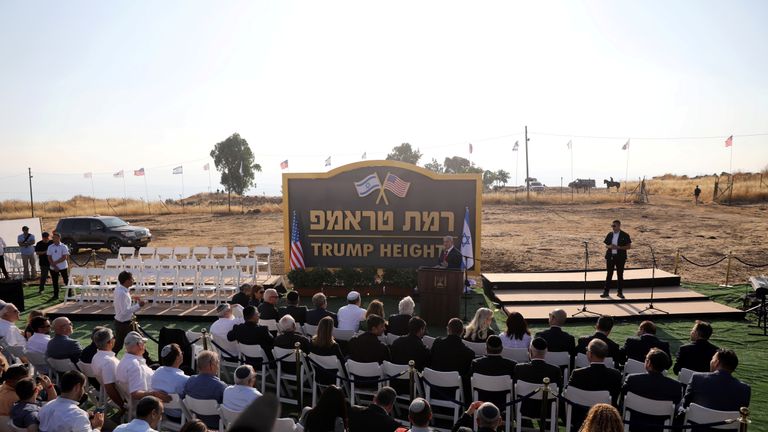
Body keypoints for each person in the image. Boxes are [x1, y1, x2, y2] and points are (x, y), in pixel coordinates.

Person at [567, 339, 622, 430]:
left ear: (590, 354)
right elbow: (615, 396)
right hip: (606, 419)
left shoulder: (577, 374)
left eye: (587, 350)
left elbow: (568, 393)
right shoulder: (615, 375)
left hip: (580, 418)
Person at [622, 348, 681, 432]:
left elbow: (623, 398)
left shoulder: (632, 379)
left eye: (646, 359)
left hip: (633, 424)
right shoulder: (675, 386)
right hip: (659, 426)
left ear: (648, 363)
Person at [683, 349, 751, 411]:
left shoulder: (697, 378)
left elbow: (685, 405)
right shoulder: (745, 389)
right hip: (726, 424)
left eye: (712, 359)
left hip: (697, 423)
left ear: (716, 362)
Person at [38, 371, 104, 432]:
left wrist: (85, 415)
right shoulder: (78, 415)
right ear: (77, 387)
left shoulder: (46, 406)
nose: (84, 391)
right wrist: (97, 427)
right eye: (83, 387)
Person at [514, 338, 562, 421]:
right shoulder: (555, 370)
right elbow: (559, 392)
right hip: (547, 410)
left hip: (525, 409)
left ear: (530, 351)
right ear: (546, 351)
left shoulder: (519, 368)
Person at [116, 331, 170, 404]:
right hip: (150, 402)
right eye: (144, 343)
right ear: (140, 345)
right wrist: (154, 394)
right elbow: (135, 394)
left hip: (136, 397)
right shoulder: (135, 366)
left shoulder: (124, 360)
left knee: (157, 366)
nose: (145, 345)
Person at [183, 351, 227, 430]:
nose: (218, 366)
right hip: (216, 425)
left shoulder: (190, 381)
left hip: (197, 423)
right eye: (217, 362)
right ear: (211, 365)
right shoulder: (220, 386)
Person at [470, 335, 516, 411]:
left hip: (481, 401)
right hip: (502, 402)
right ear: (501, 348)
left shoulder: (476, 363)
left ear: (486, 348)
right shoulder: (511, 365)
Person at [150, 344, 189, 421]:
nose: (182, 354)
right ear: (178, 358)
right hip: (180, 416)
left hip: (163, 412)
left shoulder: (157, 371)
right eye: (181, 353)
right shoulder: (184, 379)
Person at [91, 327, 126, 412]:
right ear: (109, 342)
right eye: (113, 337)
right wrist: (122, 406)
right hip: (126, 396)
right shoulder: (108, 362)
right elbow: (110, 388)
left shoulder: (96, 357)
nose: (115, 339)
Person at [113, 271, 146, 355]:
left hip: (123, 322)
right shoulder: (122, 293)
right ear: (127, 281)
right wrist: (139, 305)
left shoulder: (120, 290)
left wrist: (131, 298)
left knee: (139, 338)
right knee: (119, 345)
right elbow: (125, 311)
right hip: (124, 323)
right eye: (131, 279)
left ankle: (147, 358)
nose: (133, 280)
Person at [601, 219, 632, 298]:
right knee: (609, 274)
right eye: (612, 226)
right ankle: (606, 292)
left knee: (620, 275)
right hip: (610, 257)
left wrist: (618, 247)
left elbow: (628, 246)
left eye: (614, 226)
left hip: (620, 258)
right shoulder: (610, 234)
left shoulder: (625, 235)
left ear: (619, 226)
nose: (613, 227)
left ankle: (620, 292)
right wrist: (610, 246)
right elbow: (606, 245)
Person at [46, 233, 70, 300]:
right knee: (55, 281)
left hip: (63, 267)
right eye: (53, 237)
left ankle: (69, 293)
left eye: (55, 237)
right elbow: (49, 257)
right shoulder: (50, 246)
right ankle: (56, 295)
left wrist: (55, 263)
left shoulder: (63, 246)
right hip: (53, 267)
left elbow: (64, 257)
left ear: (59, 238)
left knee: (66, 280)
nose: (53, 239)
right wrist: (54, 265)